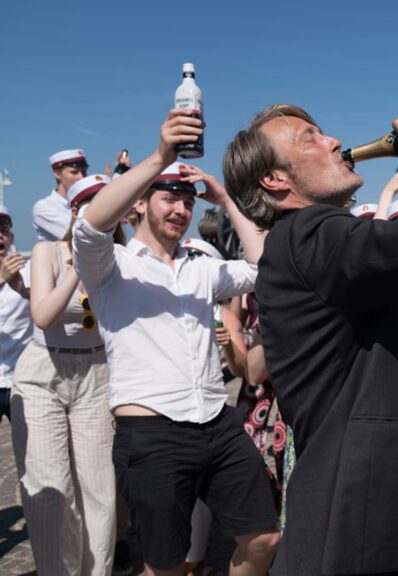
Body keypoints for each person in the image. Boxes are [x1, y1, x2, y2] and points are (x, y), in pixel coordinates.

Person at [223, 101, 398, 575]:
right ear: (275, 180)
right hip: (365, 523)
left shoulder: (301, 243)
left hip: (366, 523)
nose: (334, 141)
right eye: (310, 138)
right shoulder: (312, 234)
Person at [73, 109, 277, 576]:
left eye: (188, 202)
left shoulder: (202, 266)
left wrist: (226, 200)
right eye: (169, 198)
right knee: (165, 565)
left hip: (216, 422)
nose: (181, 210)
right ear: (139, 205)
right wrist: (159, 156)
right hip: (152, 432)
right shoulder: (113, 266)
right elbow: (90, 224)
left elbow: (268, 268)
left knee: (263, 538)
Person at [11, 175, 123, 575]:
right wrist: (79, 266)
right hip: (45, 370)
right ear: (75, 212)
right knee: (51, 495)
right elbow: (43, 314)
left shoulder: (122, 258)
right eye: (92, 206)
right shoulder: (48, 252)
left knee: (100, 493)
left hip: (97, 374)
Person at [0, 205, 31, 423]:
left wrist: (26, 291)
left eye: (4, 229)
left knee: (31, 453)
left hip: (21, 380)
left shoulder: (28, 269)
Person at [35, 149, 89, 241]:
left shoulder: (89, 201)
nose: (81, 177)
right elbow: (81, 234)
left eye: (84, 172)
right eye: (74, 172)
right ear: (57, 174)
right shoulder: (43, 207)